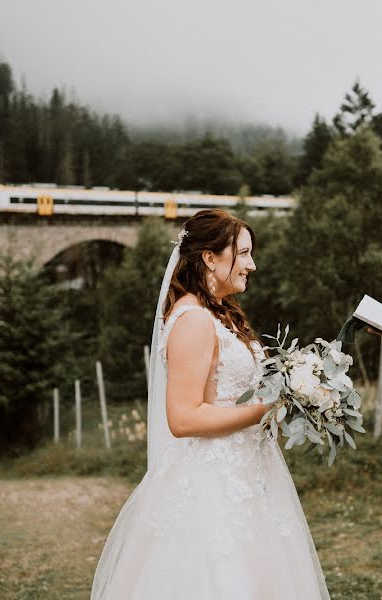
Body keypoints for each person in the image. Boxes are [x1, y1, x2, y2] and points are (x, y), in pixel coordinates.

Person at [90, 209, 329, 599]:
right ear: (210, 258)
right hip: (212, 484)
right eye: (245, 253)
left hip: (249, 474)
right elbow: (183, 418)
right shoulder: (194, 320)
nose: (252, 264)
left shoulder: (220, 314)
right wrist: (268, 409)